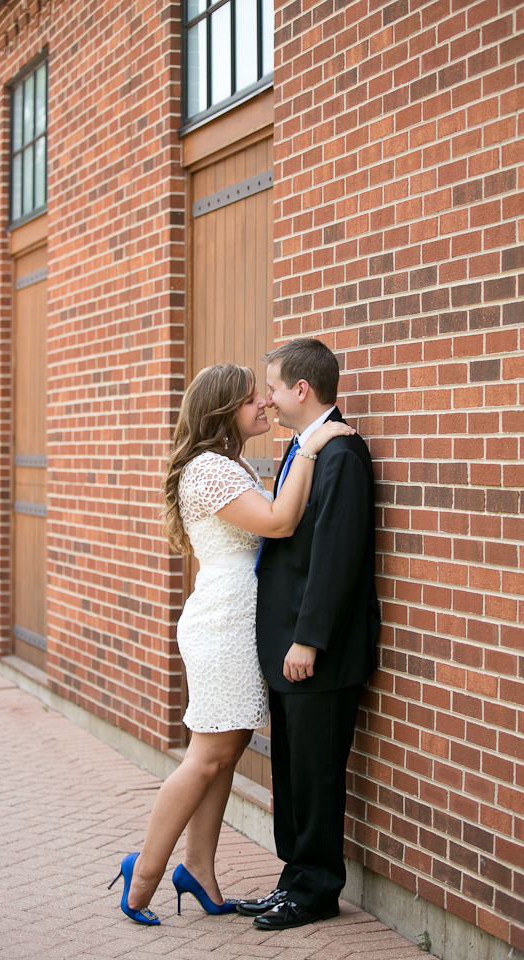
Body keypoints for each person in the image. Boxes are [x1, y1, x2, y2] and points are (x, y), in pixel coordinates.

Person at [108, 362, 354, 925]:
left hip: (238, 621)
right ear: (223, 412)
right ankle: (142, 874)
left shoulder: (228, 463)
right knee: (208, 756)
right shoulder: (209, 471)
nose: (263, 406)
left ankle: (198, 870)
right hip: (222, 624)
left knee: (225, 754)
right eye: (251, 401)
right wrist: (312, 444)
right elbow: (279, 521)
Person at [236, 338, 380, 930]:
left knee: (316, 775)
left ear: (302, 389)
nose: (266, 399)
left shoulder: (341, 456)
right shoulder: (306, 448)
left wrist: (308, 640)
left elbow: (336, 557)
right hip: (289, 648)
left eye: (272, 387)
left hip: (319, 653)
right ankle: (293, 878)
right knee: (293, 773)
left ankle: (316, 890)